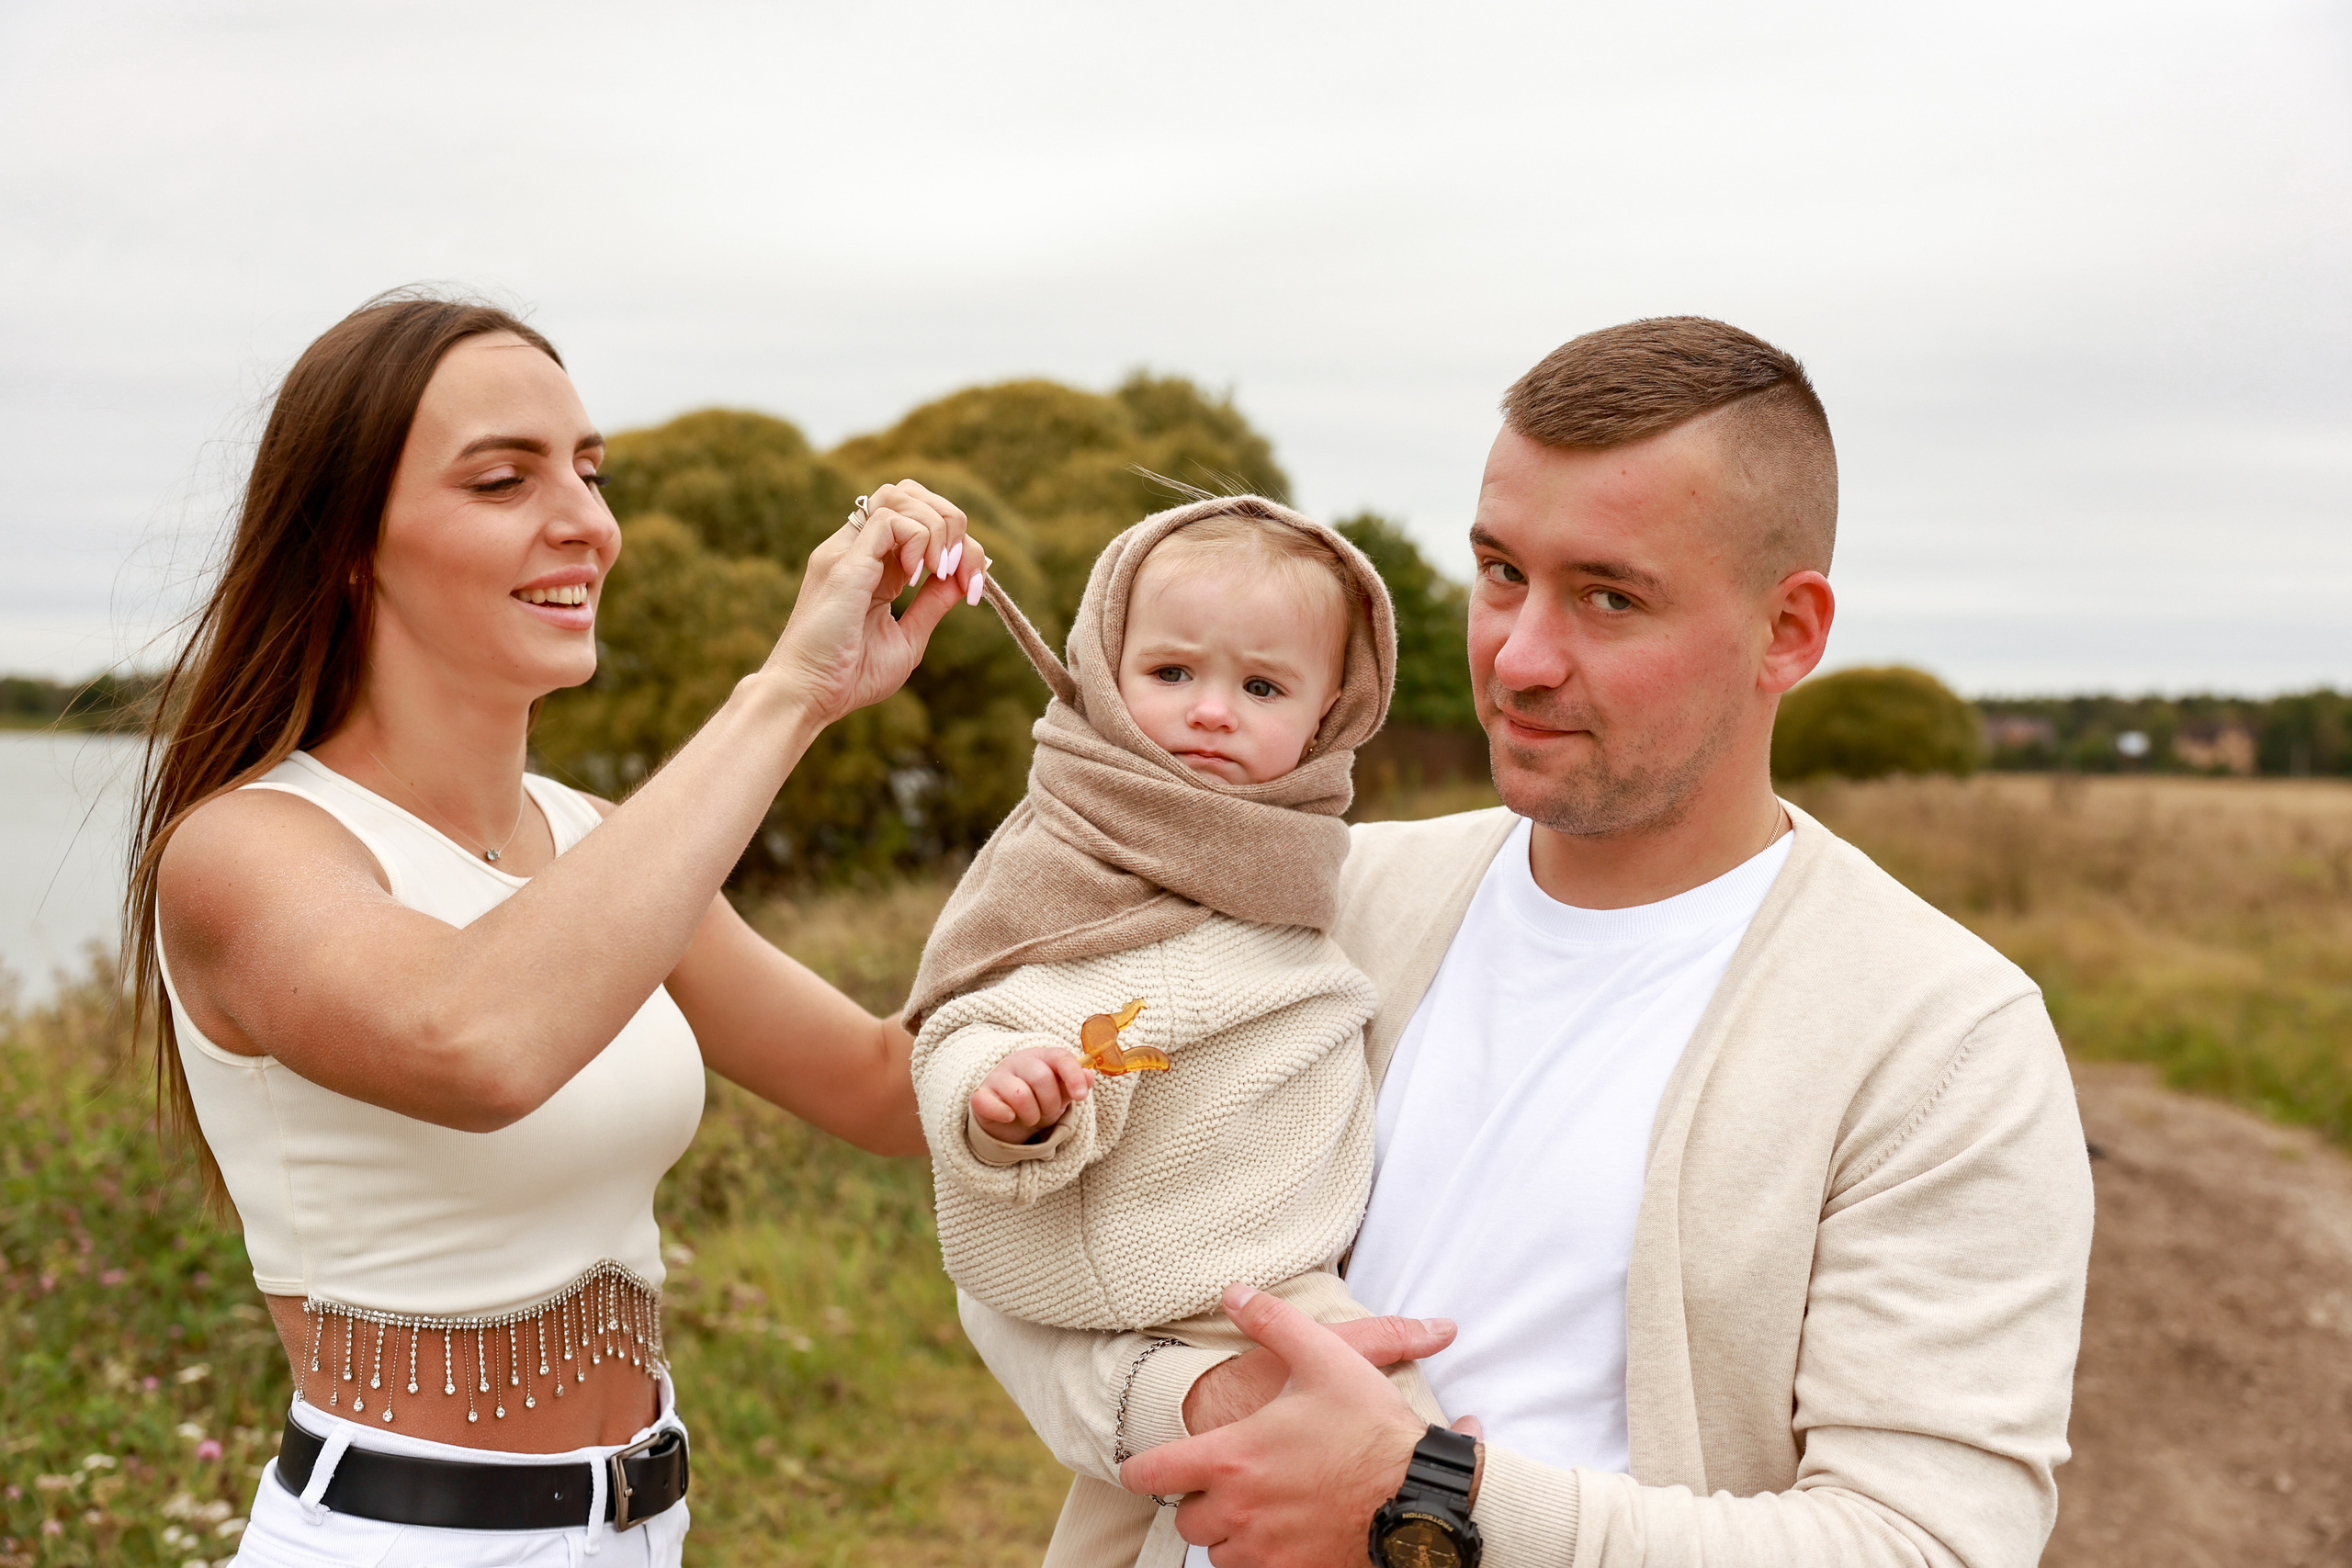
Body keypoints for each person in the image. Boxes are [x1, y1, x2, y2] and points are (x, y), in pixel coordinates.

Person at [957, 317, 2097, 1567]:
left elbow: (1926, 1542)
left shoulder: (1940, 1035)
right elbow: (1023, 1239)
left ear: (1789, 632)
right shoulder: (1321, 899)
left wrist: (1426, 1499)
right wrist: (1203, 1403)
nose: (1519, 655)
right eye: (1502, 571)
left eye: (1610, 596)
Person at [123, 290, 989, 1566]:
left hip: (646, 1525)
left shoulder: (595, 838)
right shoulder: (244, 849)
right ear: (349, 542)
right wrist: (791, 692)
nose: (586, 522)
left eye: (589, 470)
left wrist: (1167, 912)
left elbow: (880, 1085)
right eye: (501, 480)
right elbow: (480, 1041)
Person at [904, 498, 1451, 1566]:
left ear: (1330, 712)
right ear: (1106, 670)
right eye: (1170, 675)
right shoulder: (1068, 850)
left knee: (1116, 1526)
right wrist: (1004, 1095)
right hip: (1211, 1277)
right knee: (1395, 1427)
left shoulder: (1293, 864)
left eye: (1260, 687)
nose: (1211, 713)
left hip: (1250, 1268)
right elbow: (970, 1013)